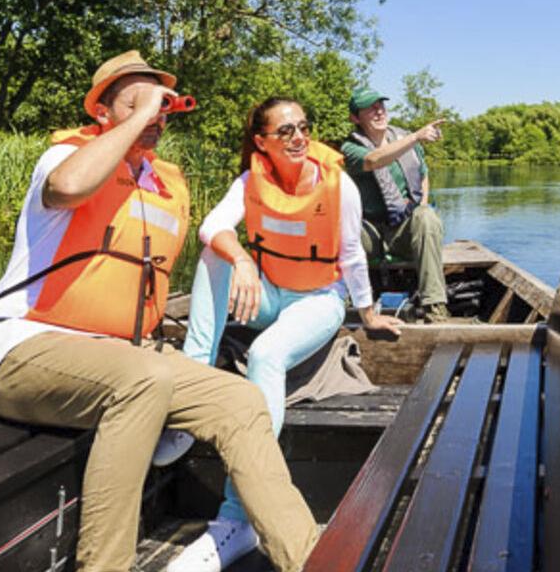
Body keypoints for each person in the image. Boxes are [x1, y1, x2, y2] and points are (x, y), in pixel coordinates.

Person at [0, 52, 320, 572]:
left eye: (162, 107)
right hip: (21, 350)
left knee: (241, 399)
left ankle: (313, 559)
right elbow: (68, 189)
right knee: (144, 379)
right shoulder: (67, 158)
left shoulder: (163, 183)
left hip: (123, 357)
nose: (155, 116)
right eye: (138, 104)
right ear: (102, 113)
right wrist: (136, 119)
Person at [164, 96, 404, 572]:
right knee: (215, 254)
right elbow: (212, 227)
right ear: (262, 142)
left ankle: (237, 518)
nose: (299, 138)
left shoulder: (338, 184)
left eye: (304, 128)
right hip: (271, 293)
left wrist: (369, 314)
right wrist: (242, 259)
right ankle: (189, 398)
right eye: (286, 131)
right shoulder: (250, 180)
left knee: (266, 355)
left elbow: (352, 255)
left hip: (318, 300)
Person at [341, 87, 450, 322]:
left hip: (402, 230)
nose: (379, 111)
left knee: (426, 216)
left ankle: (435, 307)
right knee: (338, 227)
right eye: (370, 108)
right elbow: (374, 159)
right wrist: (416, 136)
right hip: (370, 233)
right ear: (355, 118)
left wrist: (421, 207)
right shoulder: (350, 148)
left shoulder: (405, 138)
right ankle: (343, 303)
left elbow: (423, 175)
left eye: (380, 105)